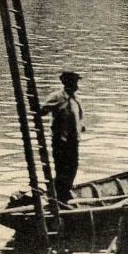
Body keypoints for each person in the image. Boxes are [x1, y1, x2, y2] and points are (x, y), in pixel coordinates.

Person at [41, 71, 85, 204]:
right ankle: (59, 196)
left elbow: (80, 115)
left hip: (74, 139)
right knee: (61, 168)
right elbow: (43, 110)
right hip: (61, 140)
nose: (76, 85)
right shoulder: (57, 97)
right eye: (74, 82)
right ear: (67, 83)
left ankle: (64, 192)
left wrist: (81, 126)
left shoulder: (77, 98)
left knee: (73, 166)